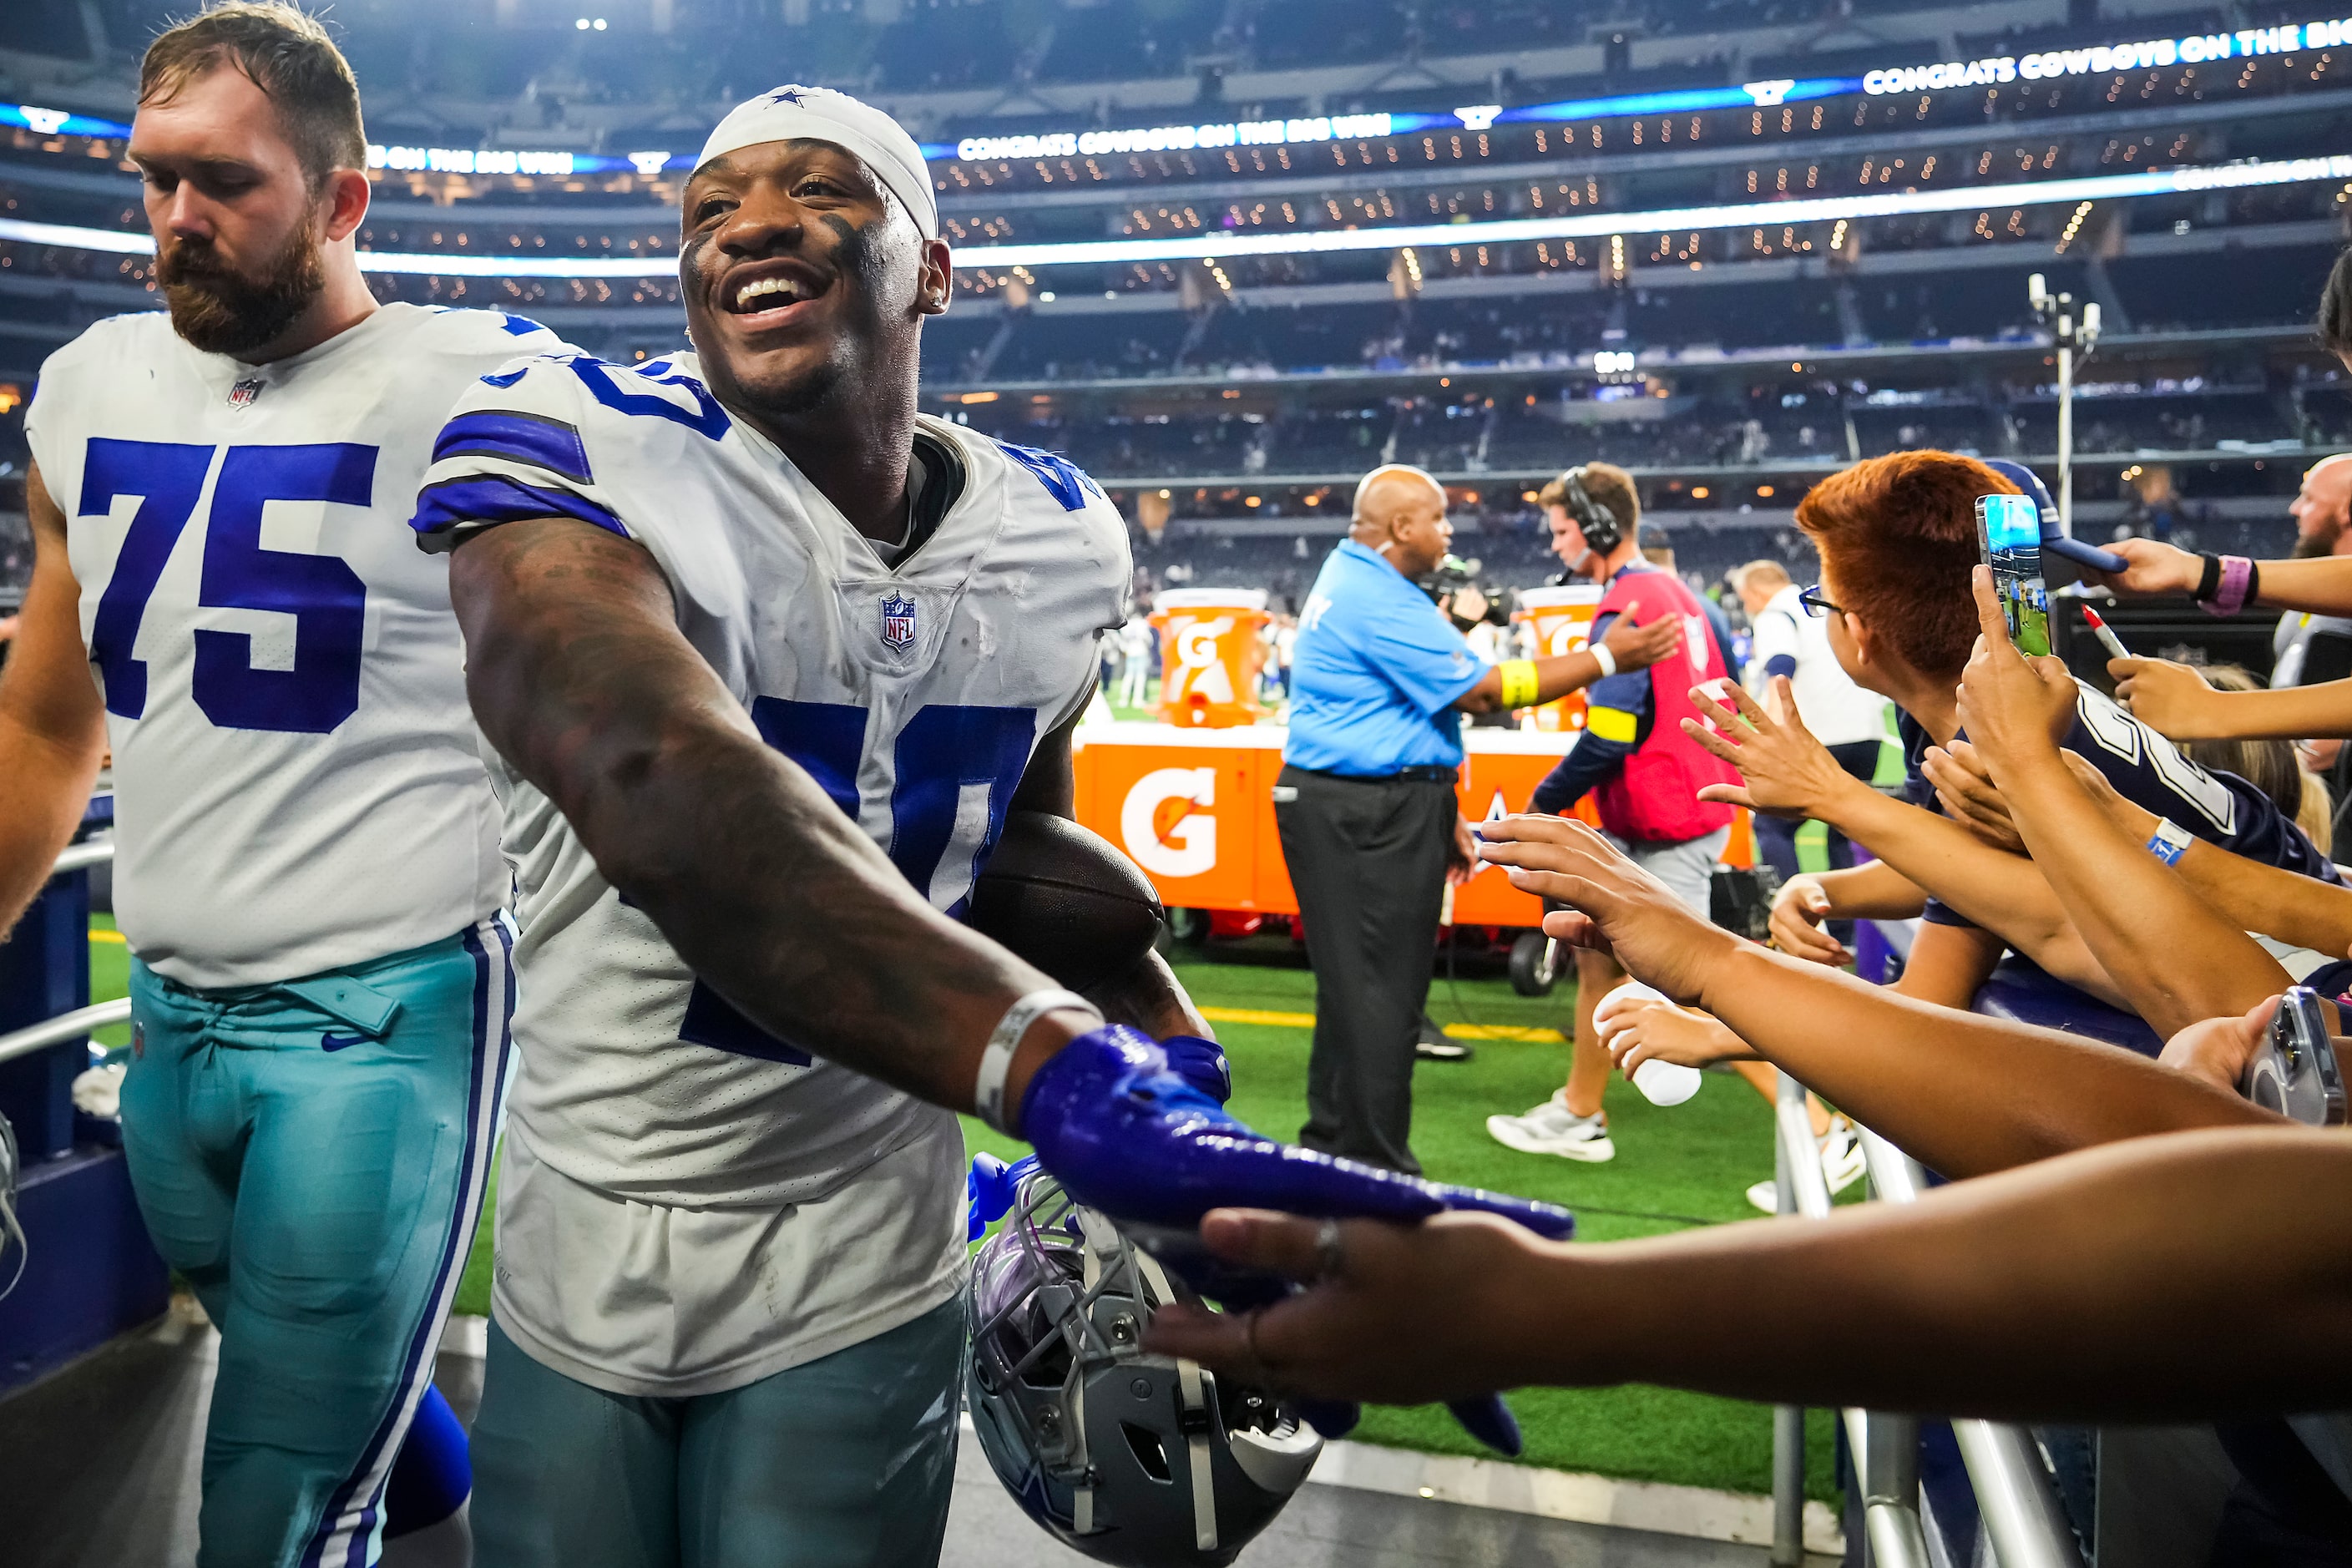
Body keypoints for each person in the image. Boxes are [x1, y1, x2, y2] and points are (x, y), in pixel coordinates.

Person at [412, 93, 1571, 1560]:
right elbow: (660, 785)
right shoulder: (571, 437)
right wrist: (1074, 1083)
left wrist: (1173, 1066)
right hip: (583, 1214)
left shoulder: (1049, 536)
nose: (749, 223)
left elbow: (1020, 867)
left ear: (934, 270)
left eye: (818, 189)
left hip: (860, 1237)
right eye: (708, 209)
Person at [0, 8, 575, 1561]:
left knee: (274, 1495)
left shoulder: (495, 385)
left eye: (226, 183)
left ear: (342, 200)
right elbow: (54, 727)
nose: (177, 220)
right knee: (298, 1370)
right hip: (170, 1029)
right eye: (155, 179)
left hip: (382, 1024)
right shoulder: (86, 386)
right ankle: (451, 1518)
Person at [1755, 453, 2335, 1023]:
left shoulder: (1998, 743)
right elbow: (1953, 864)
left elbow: (1930, 997)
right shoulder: (1997, 703)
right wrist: (1822, 887)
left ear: (1859, 632)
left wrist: (1715, 1012)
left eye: (1819, 603)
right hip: (2293, 910)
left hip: (2298, 974)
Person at [1276, 463, 1681, 1173]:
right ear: (1401, 527)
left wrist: (1441, 811)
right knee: (1383, 995)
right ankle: (1374, 1165)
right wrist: (1604, 656)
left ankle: (1334, 1146)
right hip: (1367, 811)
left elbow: (1405, 713)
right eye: (1437, 519)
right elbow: (1488, 692)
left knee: (1353, 990)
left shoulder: (1357, 580)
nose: (1446, 532)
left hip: (1365, 799)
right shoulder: (1378, 598)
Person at [1485, 463, 1738, 1166]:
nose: (1557, 544)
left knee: (1702, 987)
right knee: (1598, 967)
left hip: (1666, 820)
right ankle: (1579, 1111)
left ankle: (1820, 1127)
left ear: (1596, 527)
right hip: (1682, 806)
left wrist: (1541, 804)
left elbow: (1611, 735)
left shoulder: (1624, 603)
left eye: (1562, 530)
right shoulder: (1678, 590)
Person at [1729, 559, 1889, 889]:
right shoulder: (1820, 604)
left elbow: (1781, 666)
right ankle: (1849, 931)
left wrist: (1769, 730)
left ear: (1756, 592)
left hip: (1820, 735)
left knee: (1773, 827)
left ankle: (1799, 910)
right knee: (1846, 832)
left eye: (1745, 599)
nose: (1747, 606)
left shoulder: (1776, 612)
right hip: (1867, 734)